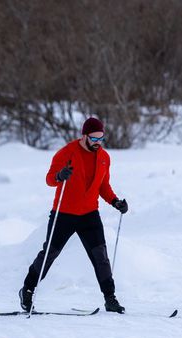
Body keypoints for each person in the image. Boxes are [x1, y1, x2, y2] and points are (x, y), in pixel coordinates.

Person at [19, 117, 128, 314]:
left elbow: (103, 186)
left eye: (101, 139)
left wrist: (115, 201)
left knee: (101, 257)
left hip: (89, 215)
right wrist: (60, 176)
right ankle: (27, 289)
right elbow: (49, 179)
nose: (97, 143)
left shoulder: (104, 157)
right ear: (84, 136)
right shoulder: (66, 153)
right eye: (94, 139)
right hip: (64, 214)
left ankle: (110, 298)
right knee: (49, 254)